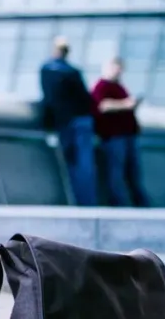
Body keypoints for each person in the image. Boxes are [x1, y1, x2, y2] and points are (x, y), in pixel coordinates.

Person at [39, 37, 97, 206]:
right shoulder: (73, 71)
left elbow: (48, 98)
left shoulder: (47, 69)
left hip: (64, 122)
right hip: (81, 121)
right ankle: (86, 202)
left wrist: (48, 123)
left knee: (70, 163)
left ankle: (76, 201)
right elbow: (85, 98)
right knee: (84, 165)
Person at [90, 57, 149, 207]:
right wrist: (126, 104)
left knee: (133, 172)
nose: (118, 71)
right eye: (116, 68)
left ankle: (139, 203)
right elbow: (102, 106)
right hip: (113, 137)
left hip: (128, 135)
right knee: (116, 172)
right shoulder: (101, 86)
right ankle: (118, 204)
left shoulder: (120, 87)